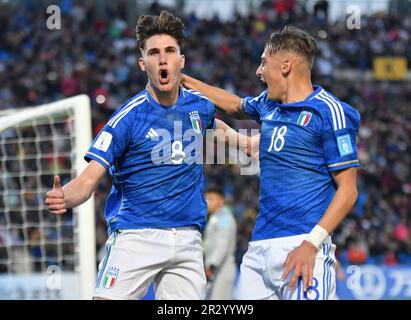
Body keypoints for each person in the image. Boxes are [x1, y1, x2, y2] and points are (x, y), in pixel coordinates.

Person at [45, 10, 247, 300]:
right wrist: (65, 196)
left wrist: (245, 143)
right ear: (143, 63)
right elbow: (88, 181)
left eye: (169, 51)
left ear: (181, 60)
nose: (162, 59)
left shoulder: (199, 106)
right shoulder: (127, 119)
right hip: (136, 236)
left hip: (188, 239)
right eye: (153, 53)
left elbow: (213, 124)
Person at [181, 25, 360, 300]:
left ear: (286, 66)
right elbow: (235, 106)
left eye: (264, 62)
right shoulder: (268, 105)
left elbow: (348, 191)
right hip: (258, 250)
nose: (259, 71)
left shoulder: (330, 112)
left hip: (302, 245)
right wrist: (182, 80)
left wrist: (311, 244)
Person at [203, 186, 237, 300]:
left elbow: (223, 242)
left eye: (211, 199)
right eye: (206, 199)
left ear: (221, 200)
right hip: (216, 270)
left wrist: (212, 266)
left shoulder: (224, 218)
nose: (208, 202)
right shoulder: (215, 217)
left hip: (222, 269)